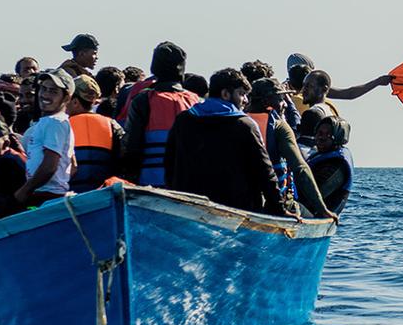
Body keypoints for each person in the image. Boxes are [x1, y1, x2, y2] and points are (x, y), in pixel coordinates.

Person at [164, 68, 287, 215]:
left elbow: (169, 163)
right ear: (225, 94)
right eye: (241, 94)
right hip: (237, 211)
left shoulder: (183, 120)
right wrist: (278, 208)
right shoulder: (244, 125)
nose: (246, 100)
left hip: (189, 209)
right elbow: (264, 171)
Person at [246, 78, 336, 221]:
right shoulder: (279, 127)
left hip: (240, 199)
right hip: (272, 204)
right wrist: (322, 208)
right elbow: (300, 168)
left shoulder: (238, 120)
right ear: (266, 101)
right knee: (312, 216)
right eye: (280, 99)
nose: (285, 104)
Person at [123, 42, 200, 185]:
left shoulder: (143, 99)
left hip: (151, 182)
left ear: (154, 68)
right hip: (189, 184)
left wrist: (129, 177)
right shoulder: (196, 102)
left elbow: (131, 144)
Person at [15, 69, 77, 206]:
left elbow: (49, 166)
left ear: (66, 98)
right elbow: (73, 166)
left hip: (46, 196)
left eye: (53, 91)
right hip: (50, 194)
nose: (45, 95)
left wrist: (25, 190)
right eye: (44, 89)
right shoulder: (55, 122)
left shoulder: (54, 122)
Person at [67, 75, 125, 193]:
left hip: (70, 196)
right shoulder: (112, 124)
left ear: (75, 102)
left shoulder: (62, 126)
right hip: (103, 195)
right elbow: (124, 159)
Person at [307, 115, 354, 215]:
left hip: (313, 214)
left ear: (338, 138)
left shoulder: (338, 165)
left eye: (327, 135)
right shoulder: (320, 155)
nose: (321, 138)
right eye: (319, 133)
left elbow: (315, 196)